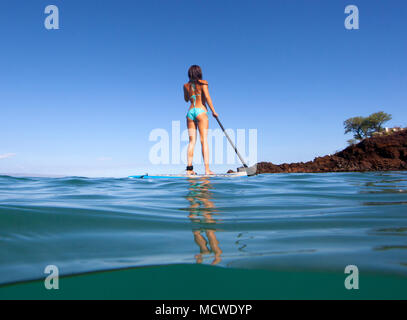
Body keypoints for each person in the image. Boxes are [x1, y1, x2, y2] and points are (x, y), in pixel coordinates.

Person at [183, 65, 218, 175]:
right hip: (201, 111)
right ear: (199, 73)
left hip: (190, 113)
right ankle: (207, 170)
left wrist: (190, 91)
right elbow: (207, 98)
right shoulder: (203, 83)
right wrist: (213, 111)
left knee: (192, 142)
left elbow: (186, 99)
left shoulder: (185, 86)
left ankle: (189, 170)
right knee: (204, 141)